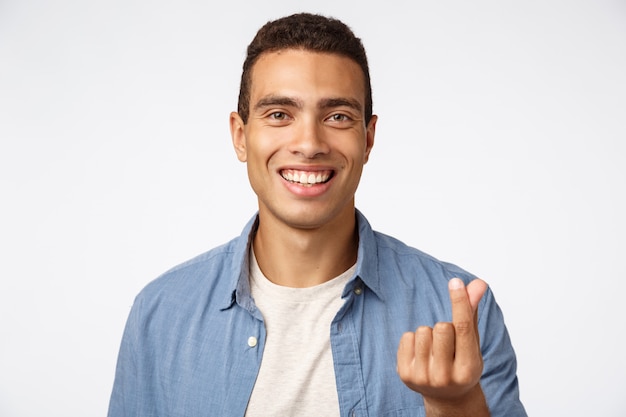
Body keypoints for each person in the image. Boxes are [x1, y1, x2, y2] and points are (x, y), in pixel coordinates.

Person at [107, 12, 527, 417]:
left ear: (368, 138)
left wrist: (455, 407)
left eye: (337, 116)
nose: (309, 143)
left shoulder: (459, 314)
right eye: (279, 115)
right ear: (240, 136)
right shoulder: (160, 315)